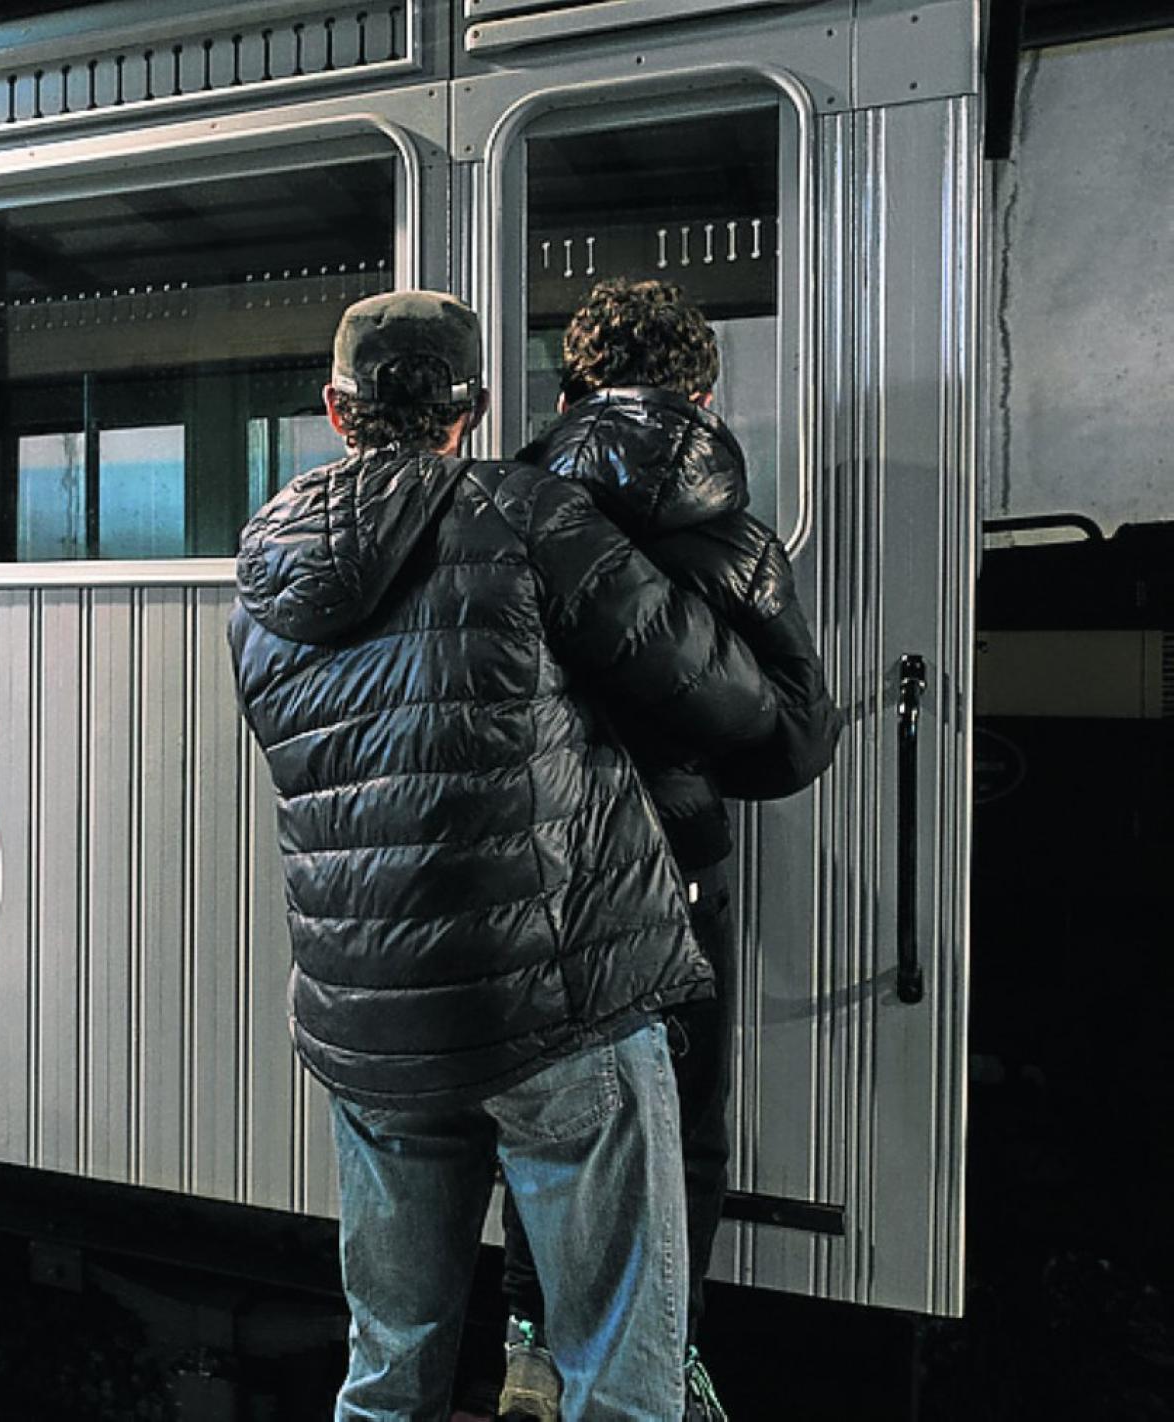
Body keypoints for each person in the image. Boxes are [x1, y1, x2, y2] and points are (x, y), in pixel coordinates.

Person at [228, 289, 792, 1422]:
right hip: (556, 1002)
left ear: (333, 411)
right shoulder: (527, 513)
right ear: (475, 406)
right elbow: (738, 707)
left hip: (370, 1026)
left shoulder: (262, 578)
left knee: (389, 1372)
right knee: (617, 1373)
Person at [494, 278, 844, 1422]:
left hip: (539, 859)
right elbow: (791, 746)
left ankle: (528, 1345)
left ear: (571, 389)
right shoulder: (739, 543)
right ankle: (664, 1362)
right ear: (701, 394)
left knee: (544, 1111)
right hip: (682, 859)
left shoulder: (512, 513)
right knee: (683, 1125)